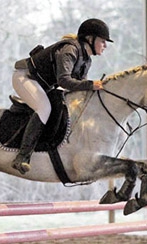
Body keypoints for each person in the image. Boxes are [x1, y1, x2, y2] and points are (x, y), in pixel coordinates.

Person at [11, 18, 113, 175]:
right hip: (25, 78)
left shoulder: (86, 60)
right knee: (44, 108)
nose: (105, 46)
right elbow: (64, 80)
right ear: (90, 39)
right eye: (103, 41)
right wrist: (90, 85)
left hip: (42, 83)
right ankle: (22, 157)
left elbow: (79, 88)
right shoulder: (69, 50)